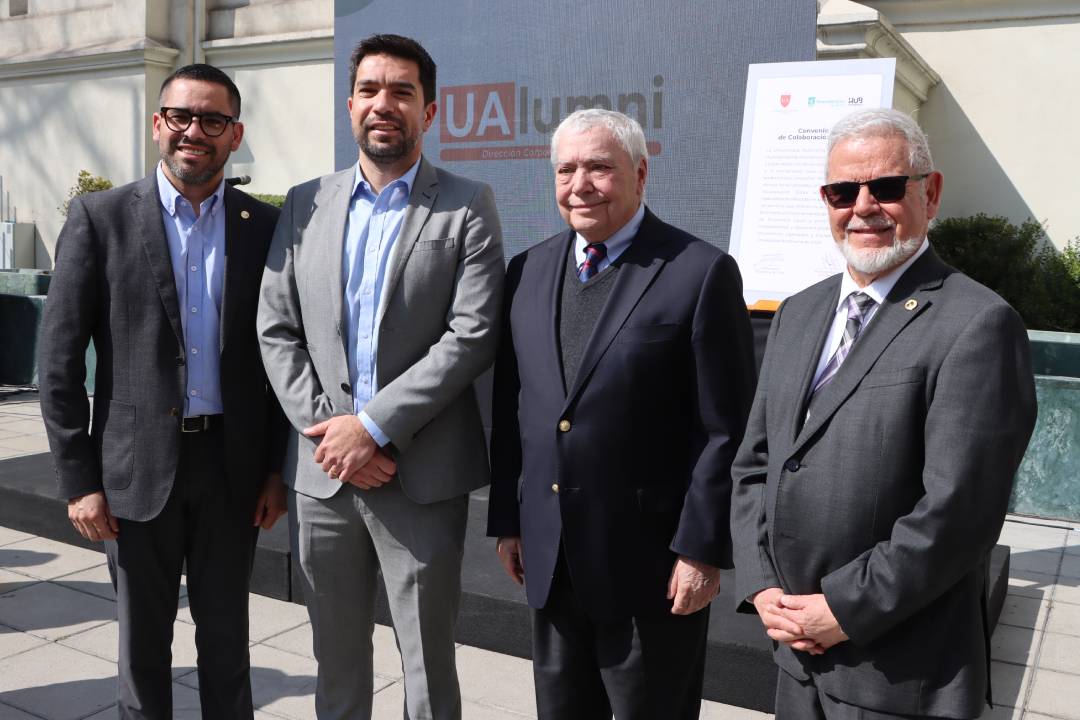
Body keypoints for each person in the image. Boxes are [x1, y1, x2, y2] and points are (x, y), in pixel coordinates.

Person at [730, 107, 1038, 720]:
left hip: (899, 674)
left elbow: (959, 513)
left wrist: (844, 609)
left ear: (931, 192)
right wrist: (761, 584)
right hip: (794, 657)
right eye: (843, 191)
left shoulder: (978, 323)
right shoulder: (797, 313)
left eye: (887, 186)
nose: (863, 206)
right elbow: (755, 464)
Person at [257, 33, 504, 720]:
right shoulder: (305, 203)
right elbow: (277, 328)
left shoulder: (467, 204)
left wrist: (371, 428)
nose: (383, 104)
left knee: (428, 668)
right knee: (335, 663)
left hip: (419, 477)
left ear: (430, 110)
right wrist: (335, 436)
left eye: (402, 91)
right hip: (324, 477)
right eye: (369, 90)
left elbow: (472, 334)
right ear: (350, 106)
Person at [486, 108, 757, 719]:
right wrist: (509, 519)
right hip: (552, 561)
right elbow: (513, 408)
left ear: (640, 172)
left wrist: (702, 550)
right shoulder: (527, 271)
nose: (580, 184)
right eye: (566, 170)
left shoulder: (700, 272)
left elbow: (724, 430)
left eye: (599, 168)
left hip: (652, 570)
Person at [38, 63, 287, 718]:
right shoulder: (101, 219)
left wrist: (276, 469)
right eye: (181, 116)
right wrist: (78, 482)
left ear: (235, 135)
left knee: (227, 645)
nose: (194, 131)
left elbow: (282, 358)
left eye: (213, 119)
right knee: (142, 652)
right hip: (134, 472)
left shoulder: (264, 227)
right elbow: (58, 362)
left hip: (233, 474)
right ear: (158, 124)